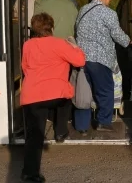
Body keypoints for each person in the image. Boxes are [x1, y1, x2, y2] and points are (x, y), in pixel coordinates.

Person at [20, 13, 85, 183]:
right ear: (52, 27)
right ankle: (61, 132)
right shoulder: (60, 44)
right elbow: (79, 61)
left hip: (31, 96)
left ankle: (30, 174)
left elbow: (25, 67)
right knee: (65, 101)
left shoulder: (27, 45)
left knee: (34, 136)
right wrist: (75, 46)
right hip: (57, 94)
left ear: (34, 29)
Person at [74, 0, 132, 134]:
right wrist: (129, 40)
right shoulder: (108, 13)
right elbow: (117, 34)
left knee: (84, 92)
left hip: (82, 58)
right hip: (100, 59)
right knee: (105, 91)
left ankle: (82, 126)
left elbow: (76, 29)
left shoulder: (83, 10)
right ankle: (103, 121)